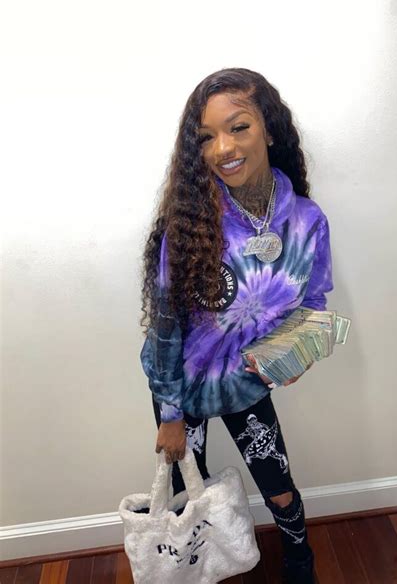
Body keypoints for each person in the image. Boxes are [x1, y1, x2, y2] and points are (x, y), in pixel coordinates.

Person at [139, 67, 333, 584]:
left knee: (279, 487)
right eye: (206, 137)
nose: (222, 148)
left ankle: (300, 563)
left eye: (238, 127)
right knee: (190, 493)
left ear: (269, 129)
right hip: (181, 388)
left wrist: (295, 354)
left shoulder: (306, 221)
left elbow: (313, 301)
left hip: (246, 385)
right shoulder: (190, 225)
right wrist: (171, 414)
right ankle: (200, 570)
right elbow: (164, 329)